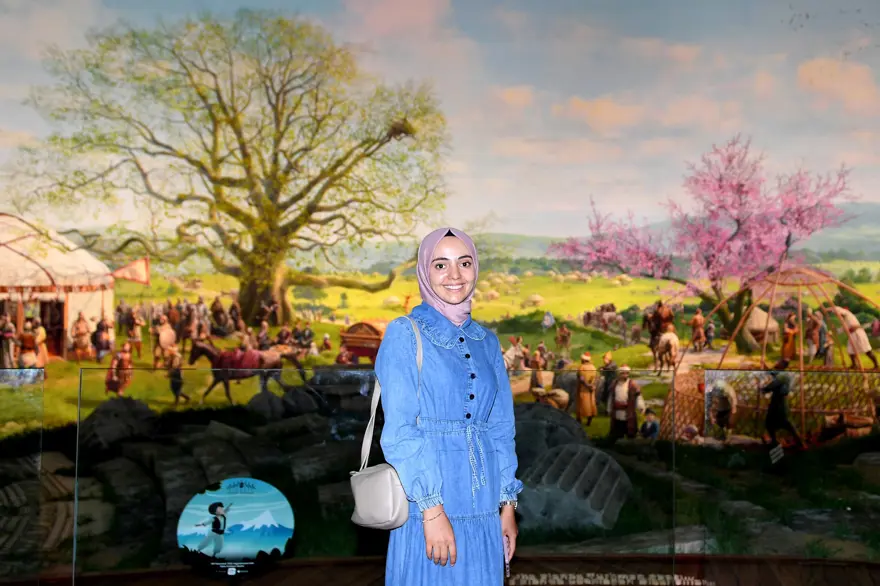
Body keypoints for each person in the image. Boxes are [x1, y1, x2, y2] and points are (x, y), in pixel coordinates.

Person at [376, 227, 522, 585]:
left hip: (485, 506)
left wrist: (507, 505)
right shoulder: (404, 333)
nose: (455, 275)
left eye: (464, 263)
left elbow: (501, 428)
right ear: (425, 270)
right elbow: (400, 430)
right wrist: (431, 509)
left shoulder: (487, 341)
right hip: (429, 504)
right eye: (441, 265)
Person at [575, 352, 598, 426]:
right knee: (591, 404)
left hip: (583, 389)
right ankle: (589, 421)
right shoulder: (593, 367)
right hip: (591, 389)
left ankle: (579, 421)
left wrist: (588, 385)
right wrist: (592, 386)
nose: (581, 360)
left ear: (584, 359)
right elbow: (596, 378)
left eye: (581, 359)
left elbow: (581, 379)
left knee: (581, 404)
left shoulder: (581, 367)